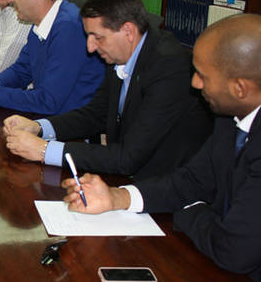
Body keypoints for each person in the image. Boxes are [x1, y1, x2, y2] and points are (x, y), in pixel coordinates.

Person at [63, 14, 261, 280]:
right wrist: (118, 197)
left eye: (203, 76)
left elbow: (234, 250)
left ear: (240, 88)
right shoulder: (231, 117)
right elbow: (192, 180)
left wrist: (188, 209)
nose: (194, 84)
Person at [3, 0, 213, 180]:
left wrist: (45, 150)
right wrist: (38, 127)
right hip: (129, 176)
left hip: (164, 188)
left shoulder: (169, 67)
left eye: (97, 37)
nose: (90, 47)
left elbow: (127, 158)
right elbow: (96, 114)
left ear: (128, 31)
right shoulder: (120, 54)